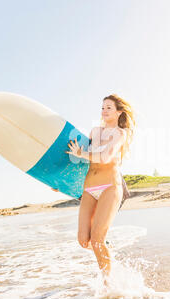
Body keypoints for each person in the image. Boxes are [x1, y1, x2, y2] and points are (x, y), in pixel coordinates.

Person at [52, 94, 135, 282]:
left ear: (119, 112)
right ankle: (107, 249)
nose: (104, 111)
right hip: (89, 187)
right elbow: (79, 162)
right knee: (84, 241)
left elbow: (105, 157)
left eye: (109, 108)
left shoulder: (120, 134)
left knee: (96, 239)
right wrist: (60, 182)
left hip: (109, 187)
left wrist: (82, 152)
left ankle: (109, 283)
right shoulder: (95, 132)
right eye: (102, 107)